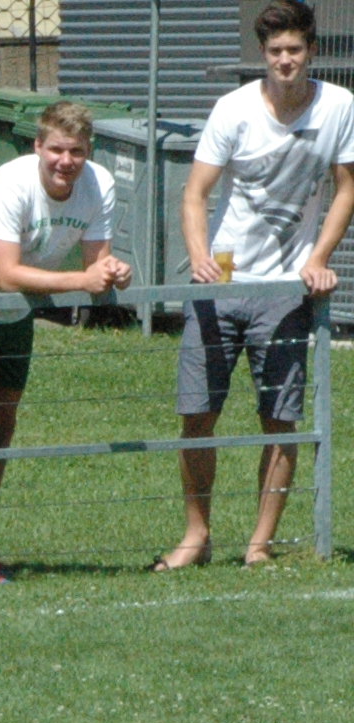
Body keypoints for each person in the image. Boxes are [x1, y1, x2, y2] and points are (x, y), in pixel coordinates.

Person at [160, 0, 354, 572]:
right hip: (221, 284)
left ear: (311, 51)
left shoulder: (339, 106)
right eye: (275, 51)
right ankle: (196, 535)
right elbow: (195, 193)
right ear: (263, 55)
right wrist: (200, 258)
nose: (285, 60)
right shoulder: (234, 108)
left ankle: (259, 545)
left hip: (286, 290)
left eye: (294, 50)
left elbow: (347, 187)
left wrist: (318, 258)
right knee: (197, 415)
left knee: (280, 418)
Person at [0, 102, 129, 584]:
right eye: (56, 149)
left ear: (88, 151)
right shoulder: (9, 184)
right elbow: (8, 273)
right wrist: (83, 279)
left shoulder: (100, 184)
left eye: (76, 151)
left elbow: (97, 263)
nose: (65, 161)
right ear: (38, 146)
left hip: (15, 310)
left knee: (2, 423)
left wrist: (114, 271)